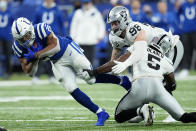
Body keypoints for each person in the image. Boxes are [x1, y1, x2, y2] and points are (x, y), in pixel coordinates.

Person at [11, 17, 132, 126]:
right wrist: (34, 61)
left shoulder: (41, 29)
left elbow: (56, 46)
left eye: (26, 35)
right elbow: (30, 73)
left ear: (31, 29)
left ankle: (121, 80)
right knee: (70, 87)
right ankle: (100, 113)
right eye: (22, 39)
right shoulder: (18, 46)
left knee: (90, 78)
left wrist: (37, 54)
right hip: (56, 61)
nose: (26, 40)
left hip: (68, 50)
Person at [78, 6, 184, 123]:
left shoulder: (133, 29)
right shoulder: (114, 37)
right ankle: (143, 110)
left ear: (124, 20)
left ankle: (173, 113)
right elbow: (114, 61)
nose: (113, 27)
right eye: (112, 24)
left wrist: (95, 72)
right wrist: (110, 71)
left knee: (162, 80)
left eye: (116, 23)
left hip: (171, 46)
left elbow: (125, 58)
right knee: (143, 79)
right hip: (151, 50)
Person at [32, 0, 68, 84]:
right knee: (40, 56)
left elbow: (62, 25)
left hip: (53, 37)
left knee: (53, 57)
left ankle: (52, 76)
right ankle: (36, 76)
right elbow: (34, 23)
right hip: (41, 38)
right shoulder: (39, 10)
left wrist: (64, 36)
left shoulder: (58, 10)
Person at [70, 0, 105, 66]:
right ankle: (81, 74)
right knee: (80, 59)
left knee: (90, 59)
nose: (86, 5)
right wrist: (73, 37)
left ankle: (90, 74)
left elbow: (101, 25)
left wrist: (100, 36)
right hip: (80, 40)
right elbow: (73, 25)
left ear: (91, 3)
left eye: (87, 3)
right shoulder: (78, 12)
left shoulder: (96, 13)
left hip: (91, 40)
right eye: (85, 3)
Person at [176, 0, 196, 78]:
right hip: (186, 30)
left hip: (195, 30)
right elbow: (177, 14)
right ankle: (185, 69)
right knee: (186, 50)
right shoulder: (183, 5)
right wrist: (180, 24)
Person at [0, 0, 14, 79]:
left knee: (8, 55)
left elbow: (14, 25)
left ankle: (8, 72)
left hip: (7, 37)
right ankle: (1, 72)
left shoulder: (10, 13)